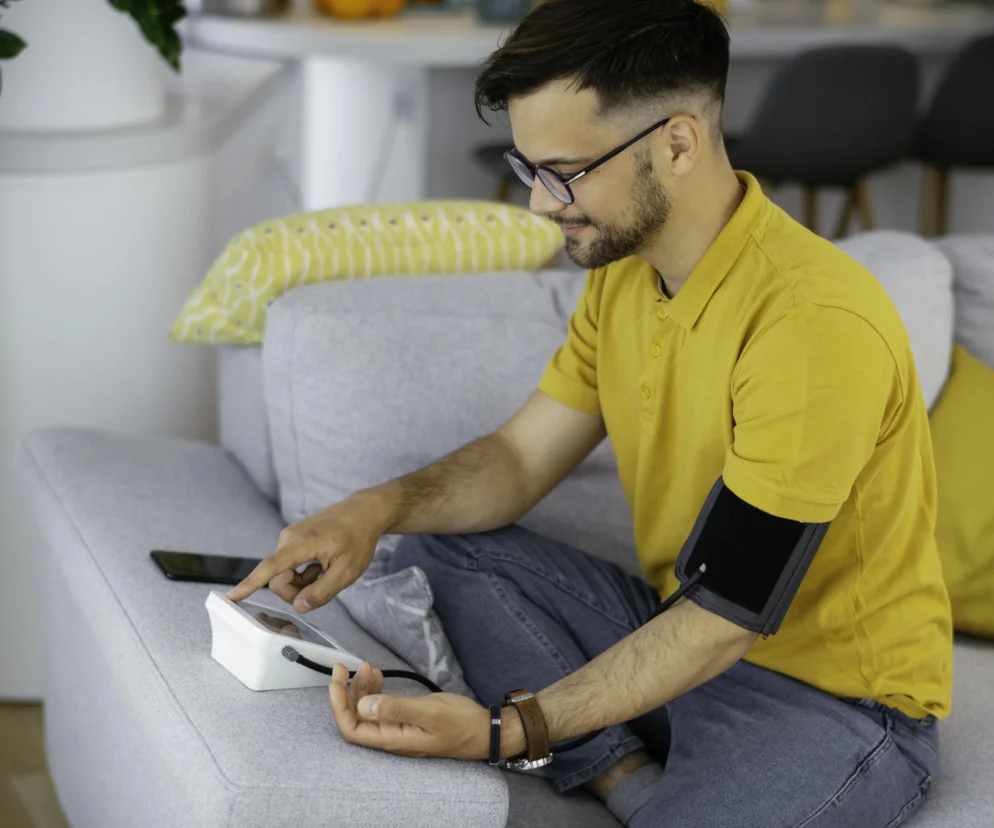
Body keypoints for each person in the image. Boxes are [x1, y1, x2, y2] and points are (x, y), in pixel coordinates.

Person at [227, 0, 953, 825]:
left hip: (828, 703)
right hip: (679, 633)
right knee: (437, 544)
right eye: (530, 167)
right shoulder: (626, 275)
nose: (541, 204)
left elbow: (726, 617)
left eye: (564, 172)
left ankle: (630, 774)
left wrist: (504, 731)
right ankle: (623, 775)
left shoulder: (812, 324)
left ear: (677, 144)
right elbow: (518, 460)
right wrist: (370, 510)